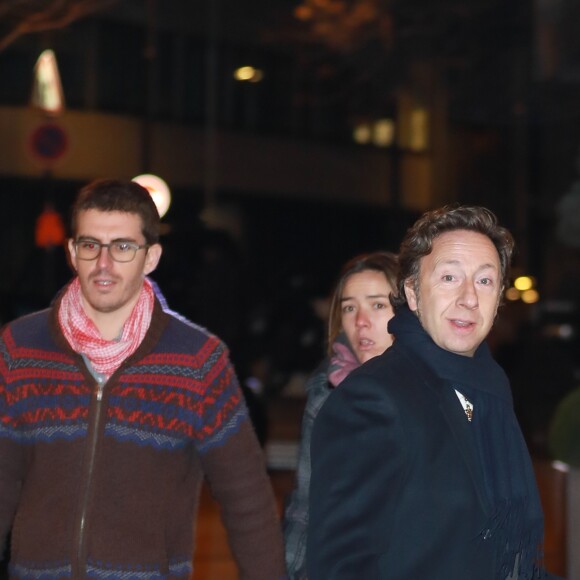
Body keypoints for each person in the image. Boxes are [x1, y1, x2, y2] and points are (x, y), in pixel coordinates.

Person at [0, 179, 286, 580]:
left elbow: (247, 499)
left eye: (122, 247)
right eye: (90, 245)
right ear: (71, 252)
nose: (103, 264)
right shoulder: (19, 347)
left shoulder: (198, 361)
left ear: (150, 257)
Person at [307, 205, 559, 580]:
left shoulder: (490, 392)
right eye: (449, 278)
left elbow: (509, 558)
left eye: (485, 281)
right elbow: (341, 566)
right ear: (412, 293)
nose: (469, 297)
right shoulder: (372, 398)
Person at [283, 251, 398, 579]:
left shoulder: (442, 392)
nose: (361, 321)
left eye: (378, 305)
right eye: (349, 307)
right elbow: (305, 508)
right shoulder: (327, 394)